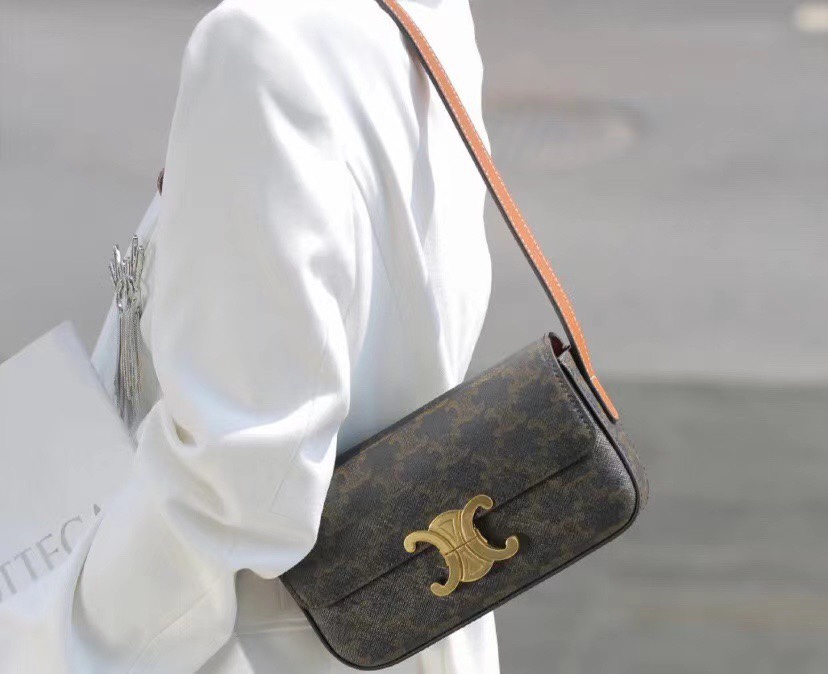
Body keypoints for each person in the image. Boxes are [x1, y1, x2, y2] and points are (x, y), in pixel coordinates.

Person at [0, 0, 499, 671]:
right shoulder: (413, 18)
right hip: (395, 622)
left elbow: (239, 490)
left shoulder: (261, 47)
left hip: (256, 644)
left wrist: (37, 645)